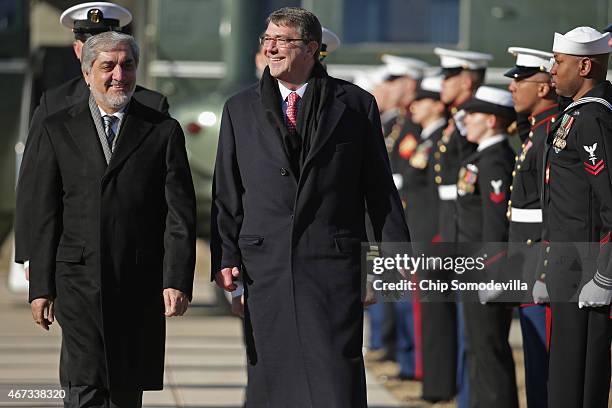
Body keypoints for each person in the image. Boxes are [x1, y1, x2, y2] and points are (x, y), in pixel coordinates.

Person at [210, 7, 410, 407]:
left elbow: (377, 188)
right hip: (265, 266)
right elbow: (227, 191)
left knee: (334, 378)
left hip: (332, 263)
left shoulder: (355, 105)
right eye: (267, 39)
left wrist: (387, 260)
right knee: (272, 377)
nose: (271, 47)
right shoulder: (239, 108)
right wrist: (225, 255)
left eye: (282, 40)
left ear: (312, 49)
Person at [28, 31, 196, 408]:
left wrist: (176, 278)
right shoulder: (58, 127)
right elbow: (44, 211)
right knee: (83, 383)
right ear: (88, 73)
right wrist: (40, 285)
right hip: (77, 281)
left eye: (128, 65)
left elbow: (179, 213)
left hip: (137, 280)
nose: (119, 74)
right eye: (108, 66)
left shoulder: (162, 130)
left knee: (124, 387)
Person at [14, 2, 168, 272]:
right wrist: (31, 255)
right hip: (74, 257)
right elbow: (35, 183)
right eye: (92, 44)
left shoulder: (151, 106)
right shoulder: (55, 102)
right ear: (78, 50)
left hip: (133, 255)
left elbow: (166, 191)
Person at [542, 26, 612, 408]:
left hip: (587, 267)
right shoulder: (575, 112)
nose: (552, 70)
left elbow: (609, 201)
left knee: (579, 378)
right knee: (565, 372)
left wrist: (605, 274)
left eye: (559, 62)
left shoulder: (593, 118)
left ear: (585, 65)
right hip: (567, 264)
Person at [426, 47, 492, 408]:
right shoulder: (458, 117)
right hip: (449, 224)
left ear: (466, 80)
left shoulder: (471, 118)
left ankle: (469, 398)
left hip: (464, 228)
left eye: (448, 77)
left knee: (472, 327)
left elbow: (470, 181)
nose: (442, 84)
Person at [456, 86, 519, 408]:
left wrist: (494, 271)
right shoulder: (481, 156)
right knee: (477, 347)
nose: (467, 119)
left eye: (475, 114)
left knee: (489, 349)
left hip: (485, 269)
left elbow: (496, 223)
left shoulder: (496, 160)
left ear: (493, 120)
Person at [505, 46, 559, 408]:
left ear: (542, 88)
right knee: (536, 361)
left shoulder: (550, 133)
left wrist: (542, 268)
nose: (513, 88)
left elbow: (556, 209)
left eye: (520, 81)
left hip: (542, 260)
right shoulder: (534, 132)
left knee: (547, 362)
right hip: (526, 256)